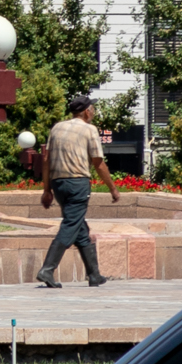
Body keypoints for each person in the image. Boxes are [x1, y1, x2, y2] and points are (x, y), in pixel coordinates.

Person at [38, 94, 110, 289]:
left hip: (58, 184)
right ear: (87, 112)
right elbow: (98, 162)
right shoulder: (89, 129)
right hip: (78, 183)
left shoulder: (57, 128)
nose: (94, 112)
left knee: (80, 228)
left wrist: (47, 190)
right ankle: (47, 269)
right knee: (71, 224)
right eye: (93, 109)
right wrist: (113, 189)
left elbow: (46, 160)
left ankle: (94, 275)